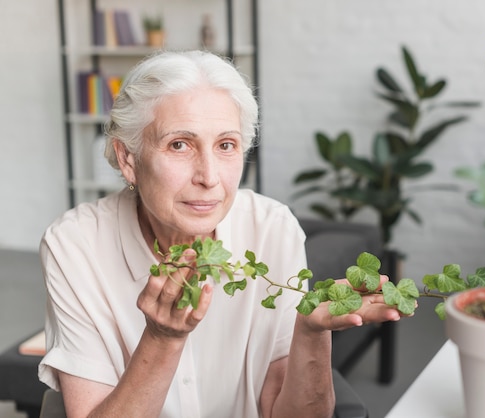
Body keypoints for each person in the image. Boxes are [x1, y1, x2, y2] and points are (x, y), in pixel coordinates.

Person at [38, 50, 408, 418]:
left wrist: (310, 334)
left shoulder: (273, 230)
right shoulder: (74, 245)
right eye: (179, 145)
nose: (210, 177)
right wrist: (162, 339)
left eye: (226, 145)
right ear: (128, 159)